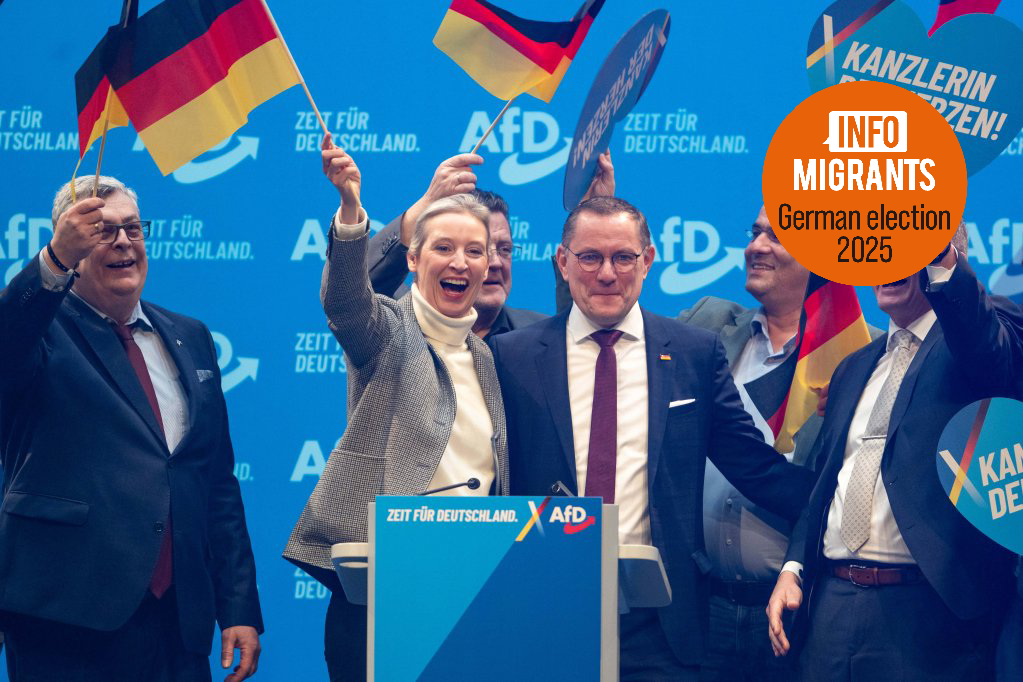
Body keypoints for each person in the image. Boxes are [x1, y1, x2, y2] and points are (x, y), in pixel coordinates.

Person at [489, 196, 815, 680]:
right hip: (548, 607)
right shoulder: (510, 356)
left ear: (648, 261)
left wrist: (839, 502)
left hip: (662, 624)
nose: (606, 274)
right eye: (589, 257)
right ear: (562, 262)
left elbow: (755, 467)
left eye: (623, 258)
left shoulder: (692, 352)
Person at [0, 176, 263, 681]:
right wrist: (52, 261)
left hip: (177, 624)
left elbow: (216, 485)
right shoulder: (39, 330)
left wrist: (238, 607)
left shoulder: (190, 336)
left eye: (133, 229)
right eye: (102, 231)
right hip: (65, 621)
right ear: (70, 246)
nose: (123, 241)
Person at [283, 134, 509, 682]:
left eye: (475, 251)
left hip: (466, 586)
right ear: (412, 257)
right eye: (443, 248)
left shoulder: (485, 357)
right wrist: (351, 209)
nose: (460, 262)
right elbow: (343, 300)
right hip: (381, 589)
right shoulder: (388, 329)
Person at [766, 229, 1023, 681]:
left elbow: (985, 349)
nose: (886, 261)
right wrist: (794, 567)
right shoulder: (853, 366)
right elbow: (828, 482)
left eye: (901, 249)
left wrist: (938, 253)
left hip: (926, 614)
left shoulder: (985, 333)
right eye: (877, 251)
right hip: (831, 605)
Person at [369, 151, 616, 339]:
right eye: (479, 250)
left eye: (505, 249)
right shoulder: (398, 320)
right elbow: (355, 288)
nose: (496, 262)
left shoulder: (538, 335)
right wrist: (426, 204)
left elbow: (587, 336)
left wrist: (593, 219)